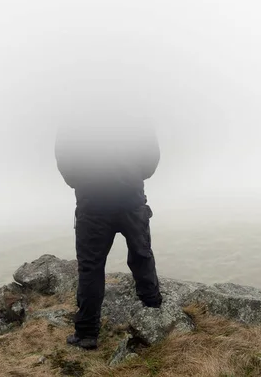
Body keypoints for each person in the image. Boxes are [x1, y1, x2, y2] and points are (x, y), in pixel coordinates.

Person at [55, 110, 163, 349]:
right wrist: (131, 175)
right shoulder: (137, 114)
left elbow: (65, 159)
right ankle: (153, 311)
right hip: (130, 199)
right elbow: (151, 159)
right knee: (141, 254)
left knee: (91, 267)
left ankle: (86, 334)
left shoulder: (74, 117)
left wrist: (85, 182)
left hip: (92, 204)